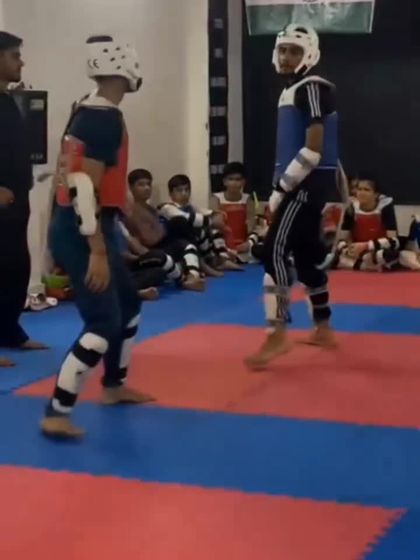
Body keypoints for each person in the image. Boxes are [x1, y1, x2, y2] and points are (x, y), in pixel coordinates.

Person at [40, 35, 154, 438]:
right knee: (103, 322)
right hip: (83, 228)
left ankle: (113, 386)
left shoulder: (89, 109)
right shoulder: (101, 117)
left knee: (129, 304)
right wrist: (98, 251)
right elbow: (82, 186)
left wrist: (128, 208)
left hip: (86, 223)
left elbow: (92, 178)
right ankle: (56, 412)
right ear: (123, 69)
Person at [246, 24, 339, 370]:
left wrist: (280, 189)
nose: (286, 57)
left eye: (295, 51)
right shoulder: (295, 90)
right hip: (304, 185)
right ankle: (323, 329)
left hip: (303, 186)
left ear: (310, 53)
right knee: (306, 258)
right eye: (283, 50)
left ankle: (277, 333)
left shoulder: (311, 87)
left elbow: (313, 150)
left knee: (274, 253)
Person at [0, 31, 46, 368]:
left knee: (16, 267)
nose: (21, 62)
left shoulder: (8, 101)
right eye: (14, 55)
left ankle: (9, 331)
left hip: (17, 201)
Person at [126, 168, 205, 291]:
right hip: (148, 252)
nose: (147, 188)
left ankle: (193, 276)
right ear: (131, 188)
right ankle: (190, 273)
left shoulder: (150, 208)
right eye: (141, 185)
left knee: (187, 242)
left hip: (160, 246)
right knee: (178, 223)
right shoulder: (131, 211)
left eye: (148, 184)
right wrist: (166, 229)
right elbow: (149, 239)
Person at [159, 174, 242, 275]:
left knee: (214, 230)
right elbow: (188, 218)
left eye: (187, 190)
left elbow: (212, 214)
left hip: (191, 238)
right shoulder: (166, 207)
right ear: (171, 193)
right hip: (174, 243)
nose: (184, 193)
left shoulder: (190, 207)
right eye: (179, 190)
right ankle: (206, 264)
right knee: (201, 229)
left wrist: (218, 217)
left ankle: (221, 259)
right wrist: (213, 222)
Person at [335, 177, 400, 271]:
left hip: (376, 249)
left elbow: (393, 240)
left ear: (376, 194)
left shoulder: (385, 207)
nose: (362, 193)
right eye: (359, 189)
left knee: (390, 253)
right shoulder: (351, 207)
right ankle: (363, 265)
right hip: (357, 251)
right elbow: (343, 238)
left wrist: (366, 245)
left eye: (366, 190)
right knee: (331, 252)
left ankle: (359, 264)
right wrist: (350, 250)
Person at [211, 162, 255, 251]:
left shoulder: (248, 199)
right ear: (224, 181)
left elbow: (251, 225)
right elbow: (215, 226)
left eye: (238, 179)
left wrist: (249, 243)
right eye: (230, 179)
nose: (234, 183)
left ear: (243, 182)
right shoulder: (215, 198)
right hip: (222, 246)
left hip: (243, 246)